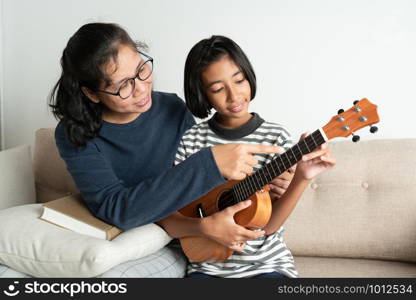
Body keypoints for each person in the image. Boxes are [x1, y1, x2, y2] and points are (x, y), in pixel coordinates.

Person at [49, 23, 284, 238]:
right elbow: (117, 210)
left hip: (184, 238)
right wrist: (208, 164)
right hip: (132, 237)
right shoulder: (73, 134)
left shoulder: (172, 107)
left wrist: (267, 187)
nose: (141, 89)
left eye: (142, 70)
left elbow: (206, 198)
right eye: (123, 85)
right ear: (91, 93)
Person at [156, 35, 336, 278]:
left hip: (266, 266)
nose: (233, 96)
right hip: (207, 266)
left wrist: (301, 178)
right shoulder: (192, 140)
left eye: (239, 80)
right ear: (202, 94)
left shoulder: (276, 138)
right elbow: (172, 214)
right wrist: (205, 227)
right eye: (218, 89)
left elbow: (269, 226)